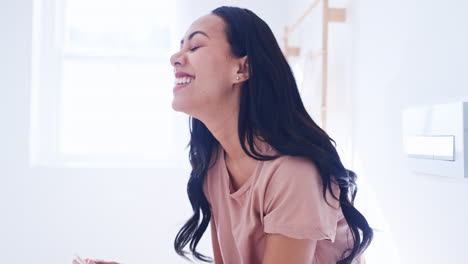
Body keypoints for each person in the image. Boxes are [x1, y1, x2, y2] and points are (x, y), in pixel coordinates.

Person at [171, 5, 373, 264]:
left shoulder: (292, 171)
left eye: (195, 46)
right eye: (180, 46)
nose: (175, 57)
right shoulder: (214, 164)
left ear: (242, 70)